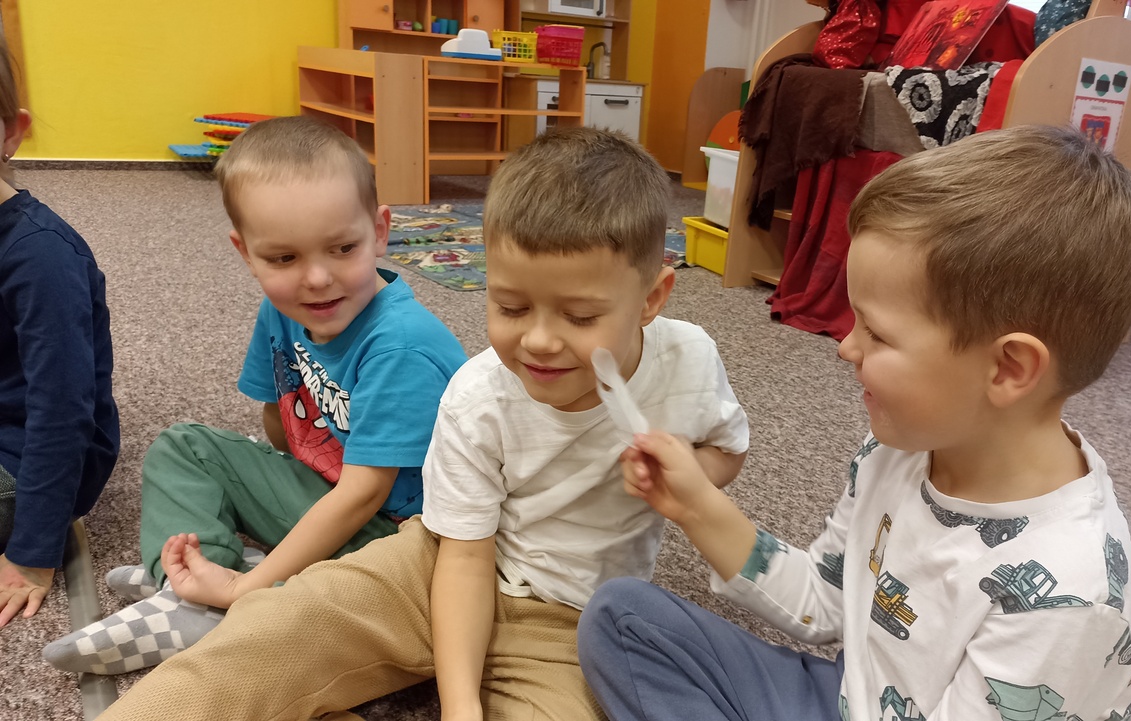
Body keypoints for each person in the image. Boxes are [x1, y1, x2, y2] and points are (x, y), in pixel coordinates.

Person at [93, 126, 750, 721]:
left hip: (573, 619)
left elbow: (727, 449)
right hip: (432, 562)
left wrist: (692, 479)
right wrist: (459, 705)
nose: (540, 341)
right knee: (267, 637)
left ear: (652, 298)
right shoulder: (477, 395)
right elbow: (464, 557)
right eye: (510, 306)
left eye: (579, 317)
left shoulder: (689, 360)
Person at [580, 125, 1131, 721]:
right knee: (622, 617)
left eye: (876, 334)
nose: (846, 347)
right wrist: (697, 505)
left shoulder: (1070, 597)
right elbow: (825, 601)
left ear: (1008, 368)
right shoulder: (902, 446)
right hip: (856, 693)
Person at [43, 115, 468, 674]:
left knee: (362, 597)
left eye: (343, 248)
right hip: (332, 492)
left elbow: (363, 495)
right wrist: (265, 492)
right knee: (184, 447)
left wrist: (249, 586)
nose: (317, 279)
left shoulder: (401, 347)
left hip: (405, 537)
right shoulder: (284, 308)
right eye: (284, 259)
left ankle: (229, 599)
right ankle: (190, 584)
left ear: (380, 230)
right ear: (246, 253)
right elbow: (278, 420)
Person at [0, 36, 119, 627]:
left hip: (27, 461)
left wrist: (32, 554)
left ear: (11, 131)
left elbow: (64, 410)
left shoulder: (40, 256)